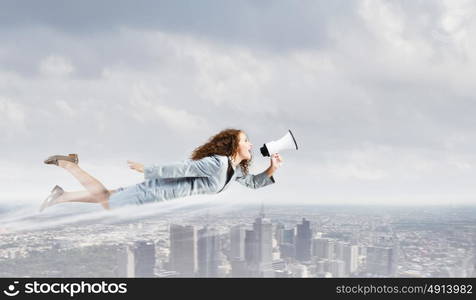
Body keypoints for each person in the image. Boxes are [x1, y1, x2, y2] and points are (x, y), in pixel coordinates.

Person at [39, 129, 283, 212]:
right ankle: (69, 165)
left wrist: (272, 168)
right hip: (158, 190)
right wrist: (149, 170)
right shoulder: (218, 163)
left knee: (107, 197)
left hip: (163, 193)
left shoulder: (235, 169)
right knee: (107, 202)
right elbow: (184, 167)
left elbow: (252, 183)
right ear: (234, 146)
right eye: (245, 140)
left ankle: (63, 194)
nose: (251, 144)